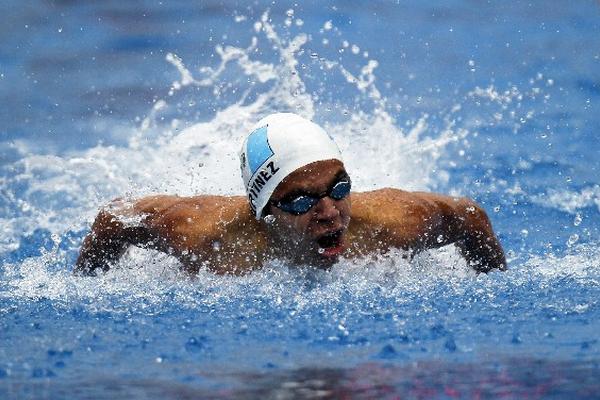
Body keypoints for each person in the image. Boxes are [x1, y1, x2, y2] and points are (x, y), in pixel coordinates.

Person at [75, 113, 506, 276]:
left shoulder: (396, 222)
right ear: (264, 208)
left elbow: (470, 216)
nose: (329, 212)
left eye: (338, 189)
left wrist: (494, 288)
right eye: (301, 200)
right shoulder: (206, 238)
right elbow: (115, 218)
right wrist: (86, 288)